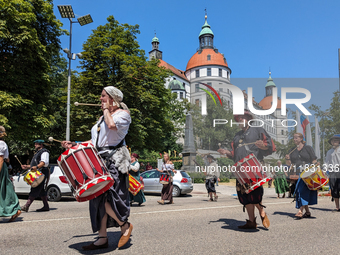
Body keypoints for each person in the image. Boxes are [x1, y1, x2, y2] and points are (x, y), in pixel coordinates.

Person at [62, 86, 133, 250]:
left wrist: (107, 110)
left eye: (103, 96)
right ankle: (102, 238)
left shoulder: (123, 115)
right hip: (99, 161)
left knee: (108, 198)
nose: (100, 99)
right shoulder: (102, 119)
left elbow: (112, 126)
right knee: (96, 199)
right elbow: (94, 142)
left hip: (113, 161)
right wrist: (75, 144)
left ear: (113, 99)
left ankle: (125, 225)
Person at [218, 110, 275, 229]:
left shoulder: (258, 130)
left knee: (254, 194)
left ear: (249, 118)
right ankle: (251, 221)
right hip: (240, 170)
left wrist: (263, 146)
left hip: (253, 168)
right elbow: (234, 153)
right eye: (239, 118)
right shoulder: (237, 136)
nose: (240, 120)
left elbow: (270, 146)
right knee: (244, 195)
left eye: (243, 117)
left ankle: (262, 213)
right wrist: (226, 152)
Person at [285, 133, 318, 219]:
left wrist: (318, 170)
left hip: (308, 172)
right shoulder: (292, 150)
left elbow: (314, 160)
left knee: (301, 190)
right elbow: (289, 164)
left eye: (296, 138)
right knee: (301, 191)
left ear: (301, 138)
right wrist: (287, 158)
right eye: (293, 138)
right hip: (298, 173)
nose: (294, 139)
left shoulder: (308, 148)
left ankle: (300, 211)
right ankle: (307, 212)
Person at [20, 139, 50, 212]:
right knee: (41, 190)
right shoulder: (38, 153)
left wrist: (36, 167)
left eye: (36, 144)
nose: (35, 145)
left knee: (35, 188)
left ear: (41, 145)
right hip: (38, 171)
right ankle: (46, 206)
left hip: (41, 172)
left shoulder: (44, 152)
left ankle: (26, 206)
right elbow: (34, 165)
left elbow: (43, 163)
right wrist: (27, 166)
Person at [0, 126, 22, 222]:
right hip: (3, 166)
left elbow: (1, 159)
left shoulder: (1, 143)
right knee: (4, 189)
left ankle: (15, 209)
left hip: (0, 167)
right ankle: (13, 210)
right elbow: (7, 159)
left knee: (5, 189)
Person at [325, 134, 340, 211]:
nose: (334, 142)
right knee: (334, 189)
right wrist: (324, 171)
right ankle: (337, 207)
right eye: (332, 140)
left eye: (336, 140)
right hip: (333, 172)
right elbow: (327, 162)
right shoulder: (329, 152)